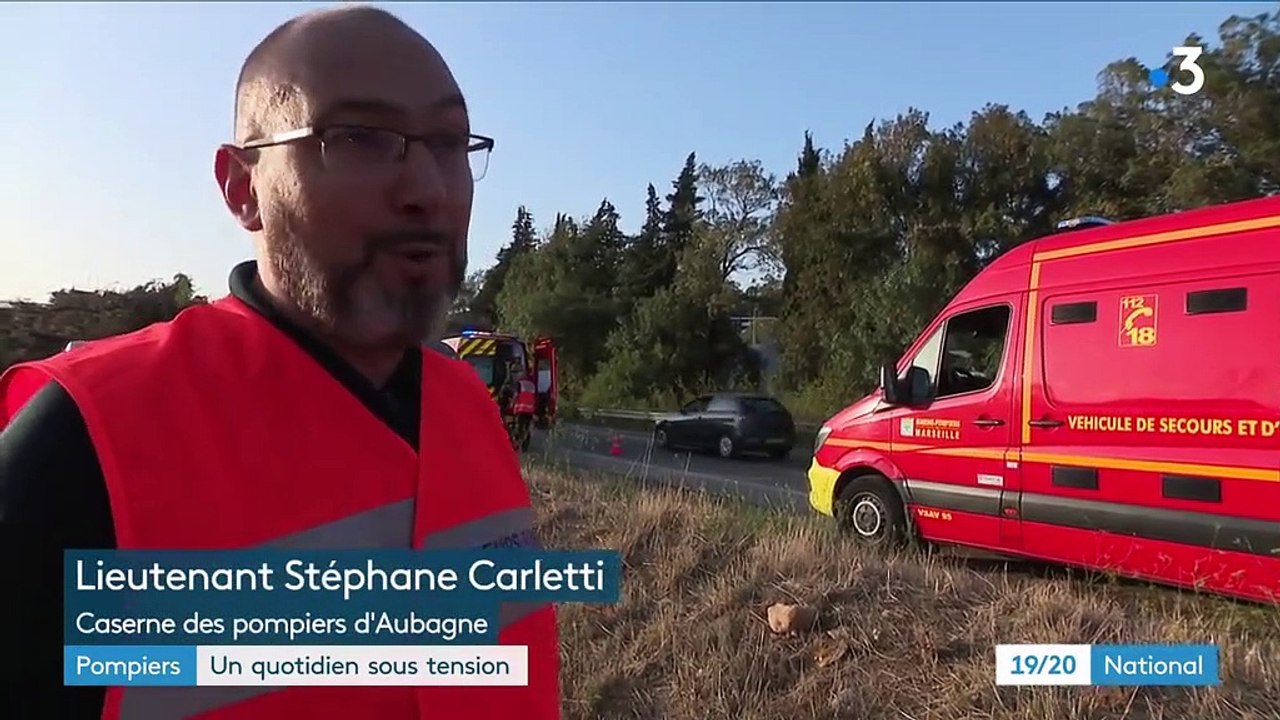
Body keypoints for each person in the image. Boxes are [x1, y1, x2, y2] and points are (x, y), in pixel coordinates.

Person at [0, 6, 560, 719]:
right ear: (243, 188)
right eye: (359, 137)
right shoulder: (84, 445)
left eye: (448, 142)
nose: (429, 189)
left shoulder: (467, 403)